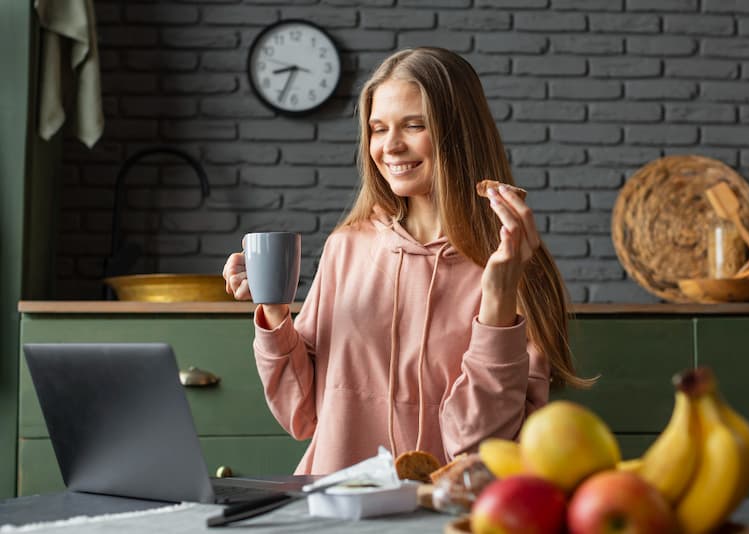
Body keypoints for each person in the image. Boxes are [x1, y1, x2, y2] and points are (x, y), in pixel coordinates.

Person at [222, 47, 590, 475]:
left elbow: (479, 446)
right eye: (378, 129)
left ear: (460, 132)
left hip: (448, 506)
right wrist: (272, 308)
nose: (391, 146)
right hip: (339, 501)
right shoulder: (347, 247)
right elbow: (299, 414)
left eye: (414, 126)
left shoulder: (517, 264)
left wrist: (498, 299)